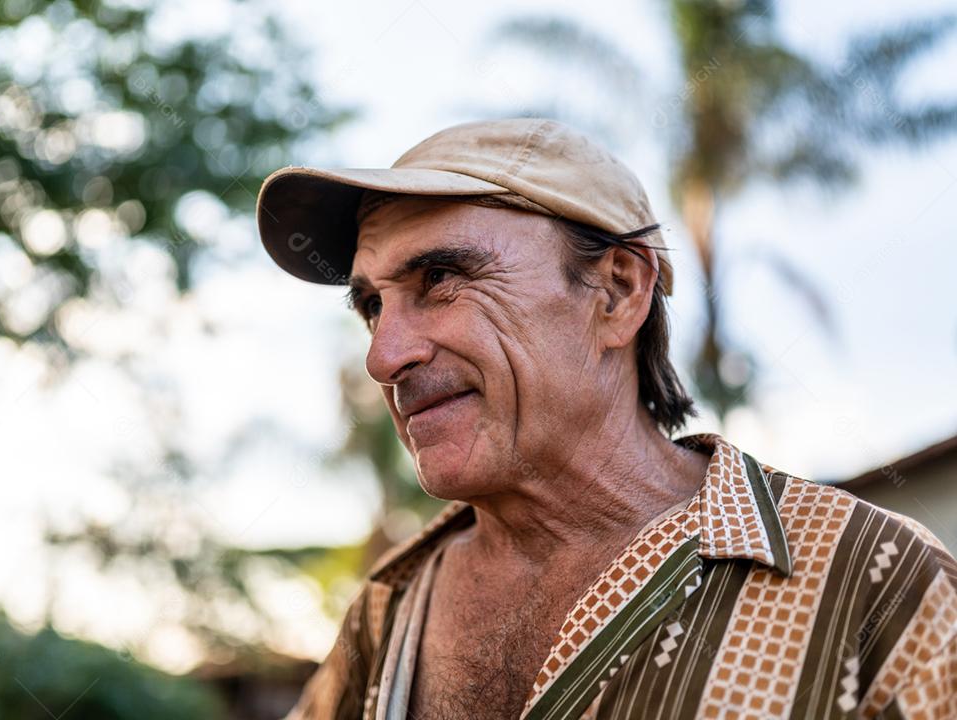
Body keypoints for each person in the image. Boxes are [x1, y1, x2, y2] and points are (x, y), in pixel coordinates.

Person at [256, 119, 957, 719]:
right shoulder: (388, 612)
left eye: (440, 279)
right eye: (373, 305)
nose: (384, 356)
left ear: (618, 291)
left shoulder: (875, 586)